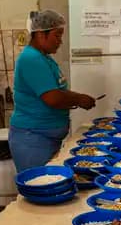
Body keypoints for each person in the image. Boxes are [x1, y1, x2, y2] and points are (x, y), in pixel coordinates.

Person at [8, 10, 96, 172]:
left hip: (44, 139)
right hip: (33, 141)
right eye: (57, 35)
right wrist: (79, 99)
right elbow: (53, 98)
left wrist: (77, 97)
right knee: (39, 189)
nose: (60, 41)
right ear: (41, 34)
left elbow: (56, 90)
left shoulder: (44, 58)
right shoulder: (31, 58)